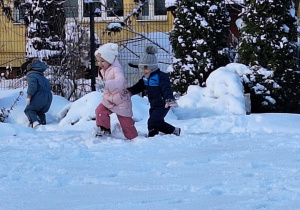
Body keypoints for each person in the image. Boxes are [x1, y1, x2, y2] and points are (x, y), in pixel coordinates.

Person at [127, 45, 181, 137]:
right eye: (142, 68)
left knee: (152, 122)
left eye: (145, 68)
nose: (143, 71)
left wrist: (169, 99)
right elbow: (139, 86)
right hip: (154, 104)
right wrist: (130, 91)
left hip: (163, 104)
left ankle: (152, 137)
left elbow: (166, 88)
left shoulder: (161, 76)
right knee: (158, 122)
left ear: (152, 67)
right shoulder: (146, 78)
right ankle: (174, 130)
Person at [94, 43, 138, 140]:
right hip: (108, 99)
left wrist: (106, 84)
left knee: (126, 123)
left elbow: (119, 82)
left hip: (120, 100)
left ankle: (134, 138)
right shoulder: (102, 70)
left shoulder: (117, 69)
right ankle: (104, 130)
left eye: (102, 61)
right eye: (98, 61)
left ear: (109, 59)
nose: (100, 63)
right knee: (100, 111)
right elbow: (102, 82)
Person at [22, 58, 52, 129]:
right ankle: (43, 125)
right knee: (40, 112)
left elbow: (32, 86)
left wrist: (29, 96)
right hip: (48, 98)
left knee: (29, 110)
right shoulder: (41, 75)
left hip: (39, 96)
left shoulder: (31, 75)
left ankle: (35, 124)